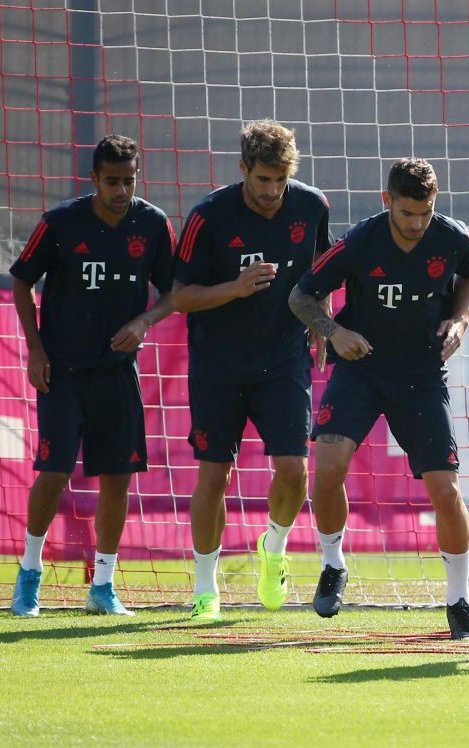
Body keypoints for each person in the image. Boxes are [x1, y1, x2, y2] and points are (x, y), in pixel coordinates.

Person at [289, 158, 469, 639]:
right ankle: (333, 565)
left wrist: (459, 319)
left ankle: (460, 601)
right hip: (362, 368)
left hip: (420, 374)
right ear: (387, 202)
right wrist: (333, 333)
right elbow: (301, 296)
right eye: (406, 213)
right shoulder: (360, 241)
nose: (416, 223)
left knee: (446, 491)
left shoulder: (454, 237)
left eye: (425, 212)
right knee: (329, 466)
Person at [9, 134, 176, 617]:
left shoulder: (153, 223)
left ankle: (103, 585)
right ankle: (29, 575)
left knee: (118, 478)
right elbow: (21, 280)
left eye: (129, 180)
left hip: (118, 374)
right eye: (112, 181)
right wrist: (35, 349)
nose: (121, 190)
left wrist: (144, 322)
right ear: (93, 179)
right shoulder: (60, 223)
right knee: (54, 471)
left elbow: (173, 291)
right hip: (61, 370)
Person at [172, 120, 331, 622]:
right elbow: (180, 296)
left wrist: (320, 324)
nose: (273, 191)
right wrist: (234, 288)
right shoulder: (209, 217)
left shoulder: (312, 206)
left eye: (281, 180)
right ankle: (205, 590)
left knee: (294, 470)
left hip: (283, 359)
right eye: (263, 180)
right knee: (214, 476)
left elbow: (322, 272)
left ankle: (275, 547)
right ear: (243, 169)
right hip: (218, 365)